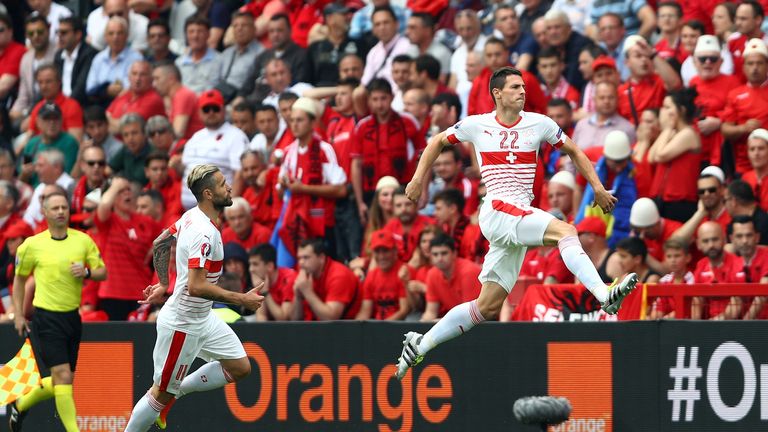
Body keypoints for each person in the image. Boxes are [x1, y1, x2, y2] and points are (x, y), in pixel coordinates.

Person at [395, 67, 638, 379]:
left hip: (515, 218)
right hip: (497, 209)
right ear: (497, 93)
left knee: (487, 306)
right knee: (566, 230)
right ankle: (604, 294)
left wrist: (598, 187)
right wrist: (417, 180)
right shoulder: (476, 125)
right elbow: (436, 142)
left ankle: (421, 343)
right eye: (514, 87)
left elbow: (575, 151)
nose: (522, 92)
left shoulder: (539, 124)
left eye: (523, 87)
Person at [124, 164, 264, 432]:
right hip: (183, 323)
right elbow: (196, 287)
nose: (230, 187)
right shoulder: (204, 232)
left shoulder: (191, 216)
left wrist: (164, 283)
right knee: (160, 392)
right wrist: (241, 299)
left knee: (240, 367)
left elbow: (161, 242)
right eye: (224, 184)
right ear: (209, 194)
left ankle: (174, 395)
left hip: (203, 318)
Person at [8, 191, 106, 432]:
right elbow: (19, 280)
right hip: (46, 317)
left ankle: (22, 403)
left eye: (64, 207)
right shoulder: (32, 245)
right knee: (62, 375)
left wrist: (85, 272)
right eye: (56, 208)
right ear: (45, 212)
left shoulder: (82, 240)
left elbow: (102, 271)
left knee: (65, 379)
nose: (61, 211)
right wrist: (19, 315)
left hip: (72, 317)